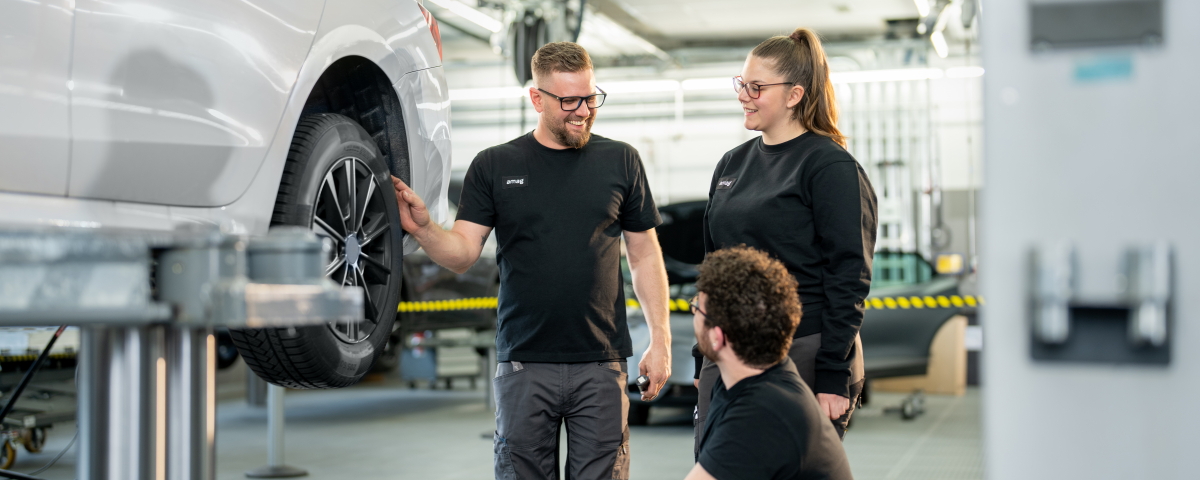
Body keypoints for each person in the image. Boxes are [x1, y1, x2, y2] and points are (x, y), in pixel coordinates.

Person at [391, 41, 672, 480]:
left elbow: (644, 254)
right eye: (569, 101)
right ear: (537, 99)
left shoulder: (621, 161)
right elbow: (463, 254)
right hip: (524, 362)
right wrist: (426, 229)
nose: (583, 111)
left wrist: (661, 339)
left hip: (601, 362)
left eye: (590, 97)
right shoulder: (495, 165)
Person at [694, 27, 878, 452]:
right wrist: (704, 353)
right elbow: (714, 264)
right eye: (741, 84)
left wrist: (832, 374)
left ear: (794, 95)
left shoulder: (829, 167)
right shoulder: (732, 164)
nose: (744, 95)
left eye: (756, 87)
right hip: (727, 351)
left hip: (803, 351)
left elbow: (849, 277)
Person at [687, 245, 853, 480]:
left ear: (718, 336)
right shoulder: (754, 383)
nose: (693, 314)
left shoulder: (762, 414)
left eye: (697, 307)